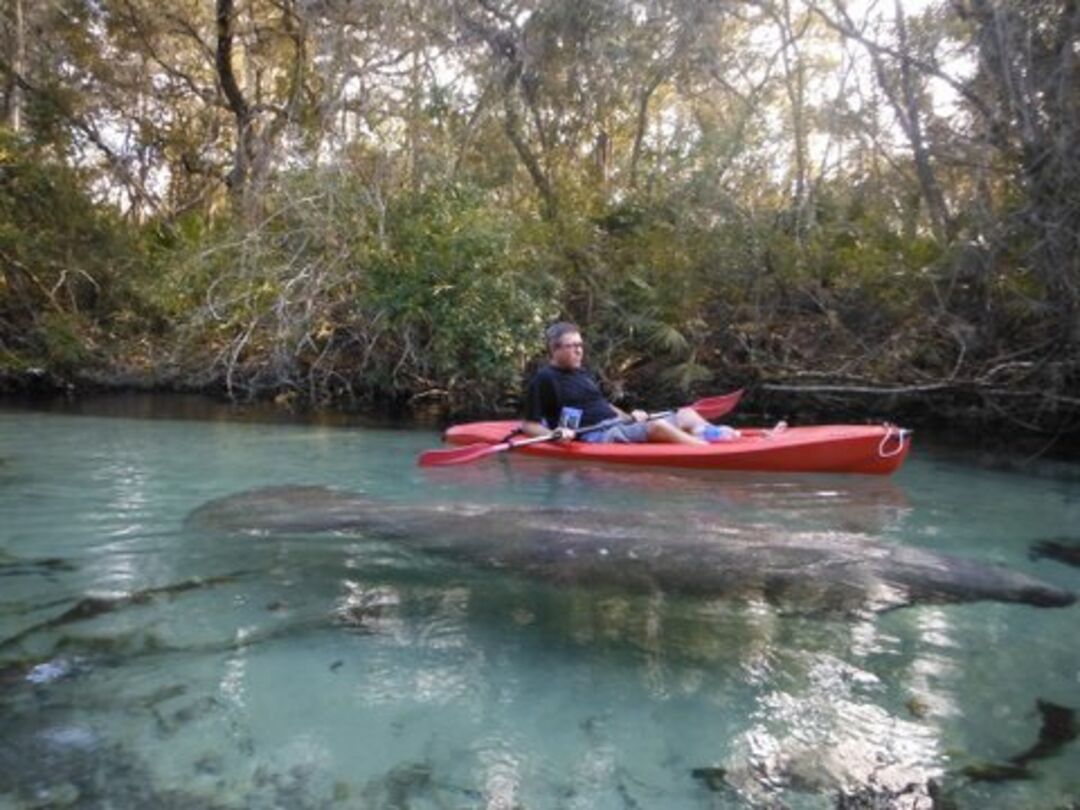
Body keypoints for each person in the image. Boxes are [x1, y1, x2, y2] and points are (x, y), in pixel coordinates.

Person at [521, 322, 738, 445]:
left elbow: (602, 405)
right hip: (595, 435)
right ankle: (704, 449)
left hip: (616, 424)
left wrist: (630, 416)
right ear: (555, 349)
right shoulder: (545, 379)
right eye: (571, 346)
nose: (579, 350)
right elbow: (529, 424)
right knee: (656, 426)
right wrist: (557, 435)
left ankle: (709, 432)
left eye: (580, 345)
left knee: (686, 414)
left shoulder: (581, 373)